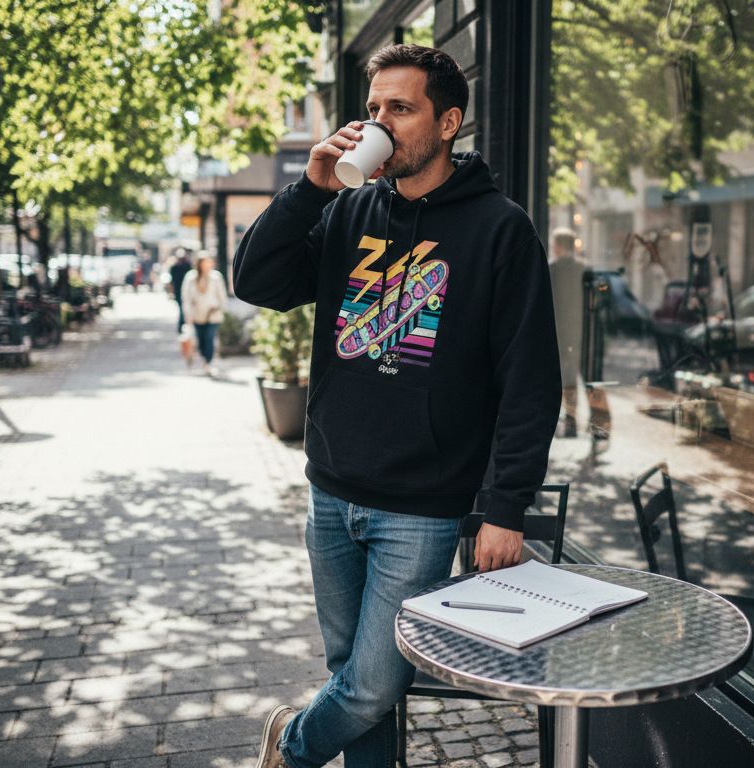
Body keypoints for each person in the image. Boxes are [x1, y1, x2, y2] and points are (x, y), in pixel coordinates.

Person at [233, 43, 560, 768]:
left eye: (399, 109)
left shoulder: (500, 229)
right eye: (373, 108)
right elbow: (255, 281)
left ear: (448, 122)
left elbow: (530, 382)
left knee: (372, 685)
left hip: (423, 503)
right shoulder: (349, 212)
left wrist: (504, 506)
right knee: (352, 679)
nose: (379, 122)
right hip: (331, 490)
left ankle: (288, 748)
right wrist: (310, 188)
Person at [548, 227, 584, 437]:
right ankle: (571, 420)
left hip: (557, 331)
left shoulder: (552, 268)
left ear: (559, 246)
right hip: (577, 332)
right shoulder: (582, 268)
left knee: (555, 379)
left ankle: (558, 421)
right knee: (572, 379)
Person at [181, 252, 227, 374]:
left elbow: (222, 296)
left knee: (209, 338)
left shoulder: (216, 277)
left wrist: (220, 308)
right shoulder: (190, 277)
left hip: (213, 314)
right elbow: (186, 298)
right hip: (197, 315)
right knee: (201, 339)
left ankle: (208, 362)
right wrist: (188, 315)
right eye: (205, 262)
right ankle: (204, 359)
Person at [168, 250, 193, 332]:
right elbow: (171, 282)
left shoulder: (175, 267)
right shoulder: (182, 266)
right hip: (180, 291)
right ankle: (182, 325)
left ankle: (182, 325)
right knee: (183, 309)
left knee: (182, 309)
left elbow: (171, 282)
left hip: (181, 291)